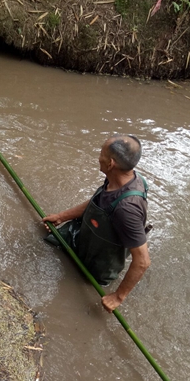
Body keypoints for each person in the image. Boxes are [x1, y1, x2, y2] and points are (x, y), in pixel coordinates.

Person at [42, 134, 151, 314]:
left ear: (111, 164)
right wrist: (62, 216)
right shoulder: (120, 177)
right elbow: (98, 201)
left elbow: (142, 261)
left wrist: (117, 297)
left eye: (101, 154)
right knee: (47, 240)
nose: (98, 157)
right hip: (87, 236)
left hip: (99, 263)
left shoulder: (127, 209)